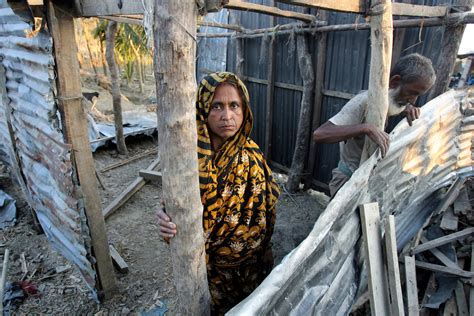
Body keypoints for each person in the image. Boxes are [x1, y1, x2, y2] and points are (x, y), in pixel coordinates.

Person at [157, 72, 280, 314]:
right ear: (203, 108)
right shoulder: (186, 160)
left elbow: (268, 208)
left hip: (253, 268)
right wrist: (162, 216)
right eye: (217, 106)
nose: (227, 116)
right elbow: (173, 205)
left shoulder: (252, 156)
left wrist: (266, 251)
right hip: (209, 275)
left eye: (234, 105)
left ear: (244, 109)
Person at [313, 53, 436, 197]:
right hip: (347, 180)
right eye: (412, 93)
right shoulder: (364, 101)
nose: (414, 100)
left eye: (418, 96)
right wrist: (365, 128)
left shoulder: (390, 100)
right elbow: (319, 134)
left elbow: (393, 106)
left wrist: (406, 108)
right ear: (395, 82)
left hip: (367, 179)